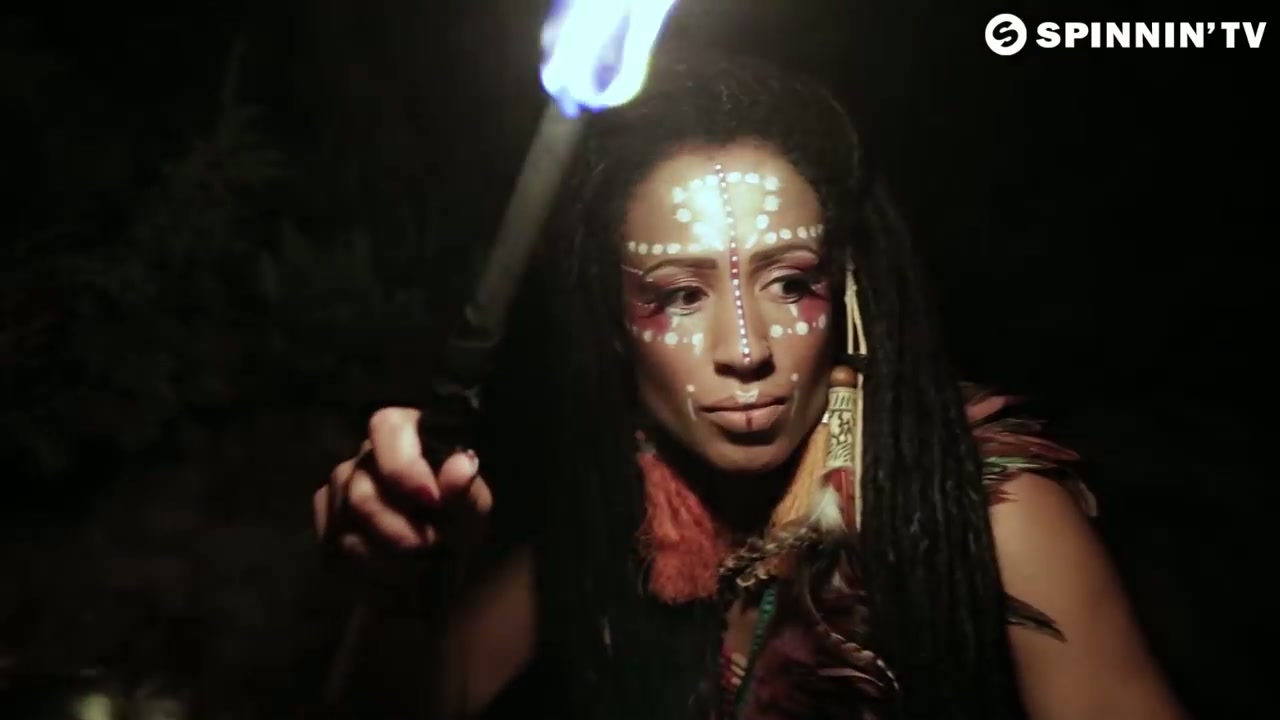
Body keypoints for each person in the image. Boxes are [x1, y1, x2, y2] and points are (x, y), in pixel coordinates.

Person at [312, 55, 1187, 720]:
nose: (745, 349)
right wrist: (399, 592)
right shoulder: (615, 509)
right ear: (613, 325)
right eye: (678, 295)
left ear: (847, 289)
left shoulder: (993, 516)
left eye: (790, 281)